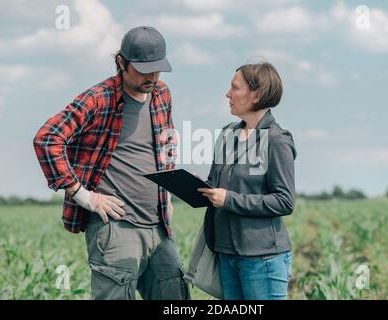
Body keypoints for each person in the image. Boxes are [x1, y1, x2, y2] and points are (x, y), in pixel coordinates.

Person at [33, 26, 189, 300]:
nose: (151, 77)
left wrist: (167, 197)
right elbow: (47, 139)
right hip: (116, 229)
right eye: (143, 70)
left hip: (158, 225)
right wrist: (85, 197)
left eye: (157, 69)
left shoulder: (161, 94)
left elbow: (165, 146)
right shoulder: (98, 99)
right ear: (121, 63)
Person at [197, 61, 297, 300]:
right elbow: (217, 185)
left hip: (262, 259)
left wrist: (229, 199)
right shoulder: (227, 134)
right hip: (226, 254)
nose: (227, 94)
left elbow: (284, 201)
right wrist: (198, 186)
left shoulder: (277, 140)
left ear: (256, 95)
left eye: (234, 88)